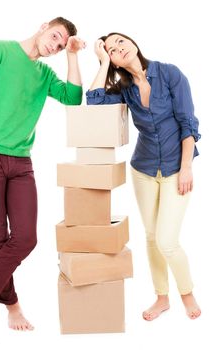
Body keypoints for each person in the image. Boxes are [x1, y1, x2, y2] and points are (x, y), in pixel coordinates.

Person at [0, 17, 85, 342]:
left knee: (25, 238)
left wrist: (72, 56)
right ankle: (11, 306)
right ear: (43, 26)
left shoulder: (45, 75)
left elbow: (73, 97)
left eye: (59, 44)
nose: (54, 45)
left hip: (21, 162)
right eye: (55, 36)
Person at [86, 32, 201, 321]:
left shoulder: (170, 74)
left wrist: (186, 167)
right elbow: (94, 104)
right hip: (144, 169)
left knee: (167, 241)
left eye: (120, 41)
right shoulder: (124, 89)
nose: (118, 48)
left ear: (133, 41)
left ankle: (187, 294)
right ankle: (162, 298)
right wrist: (101, 64)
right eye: (111, 50)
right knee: (151, 238)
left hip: (177, 168)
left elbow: (188, 124)